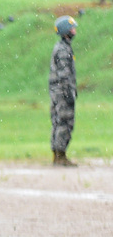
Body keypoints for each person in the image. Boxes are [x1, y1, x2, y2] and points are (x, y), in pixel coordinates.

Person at [49, 15, 78, 167]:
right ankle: (60, 156)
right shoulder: (63, 50)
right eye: (72, 28)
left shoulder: (63, 47)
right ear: (65, 31)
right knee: (64, 122)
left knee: (58, 121)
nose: (74, 30)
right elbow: (64, 75)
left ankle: (57, 154)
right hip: (63, 93)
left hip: (58, 92)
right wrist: (69, 93)